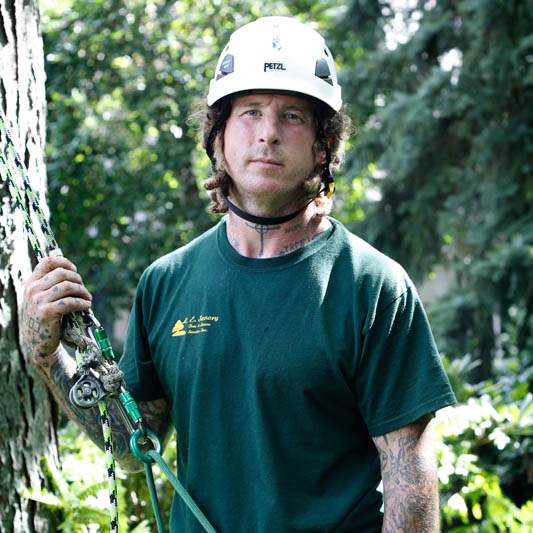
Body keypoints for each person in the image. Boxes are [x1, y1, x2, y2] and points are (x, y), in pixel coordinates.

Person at [21, 16, 456, 533]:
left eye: (292, 116)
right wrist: (48, 356)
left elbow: (409, 472)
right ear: (218, 135)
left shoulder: (372, 286)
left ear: (323, 144)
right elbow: (133, 446)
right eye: (250, 112)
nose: (268, 133)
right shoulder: (166, 282)